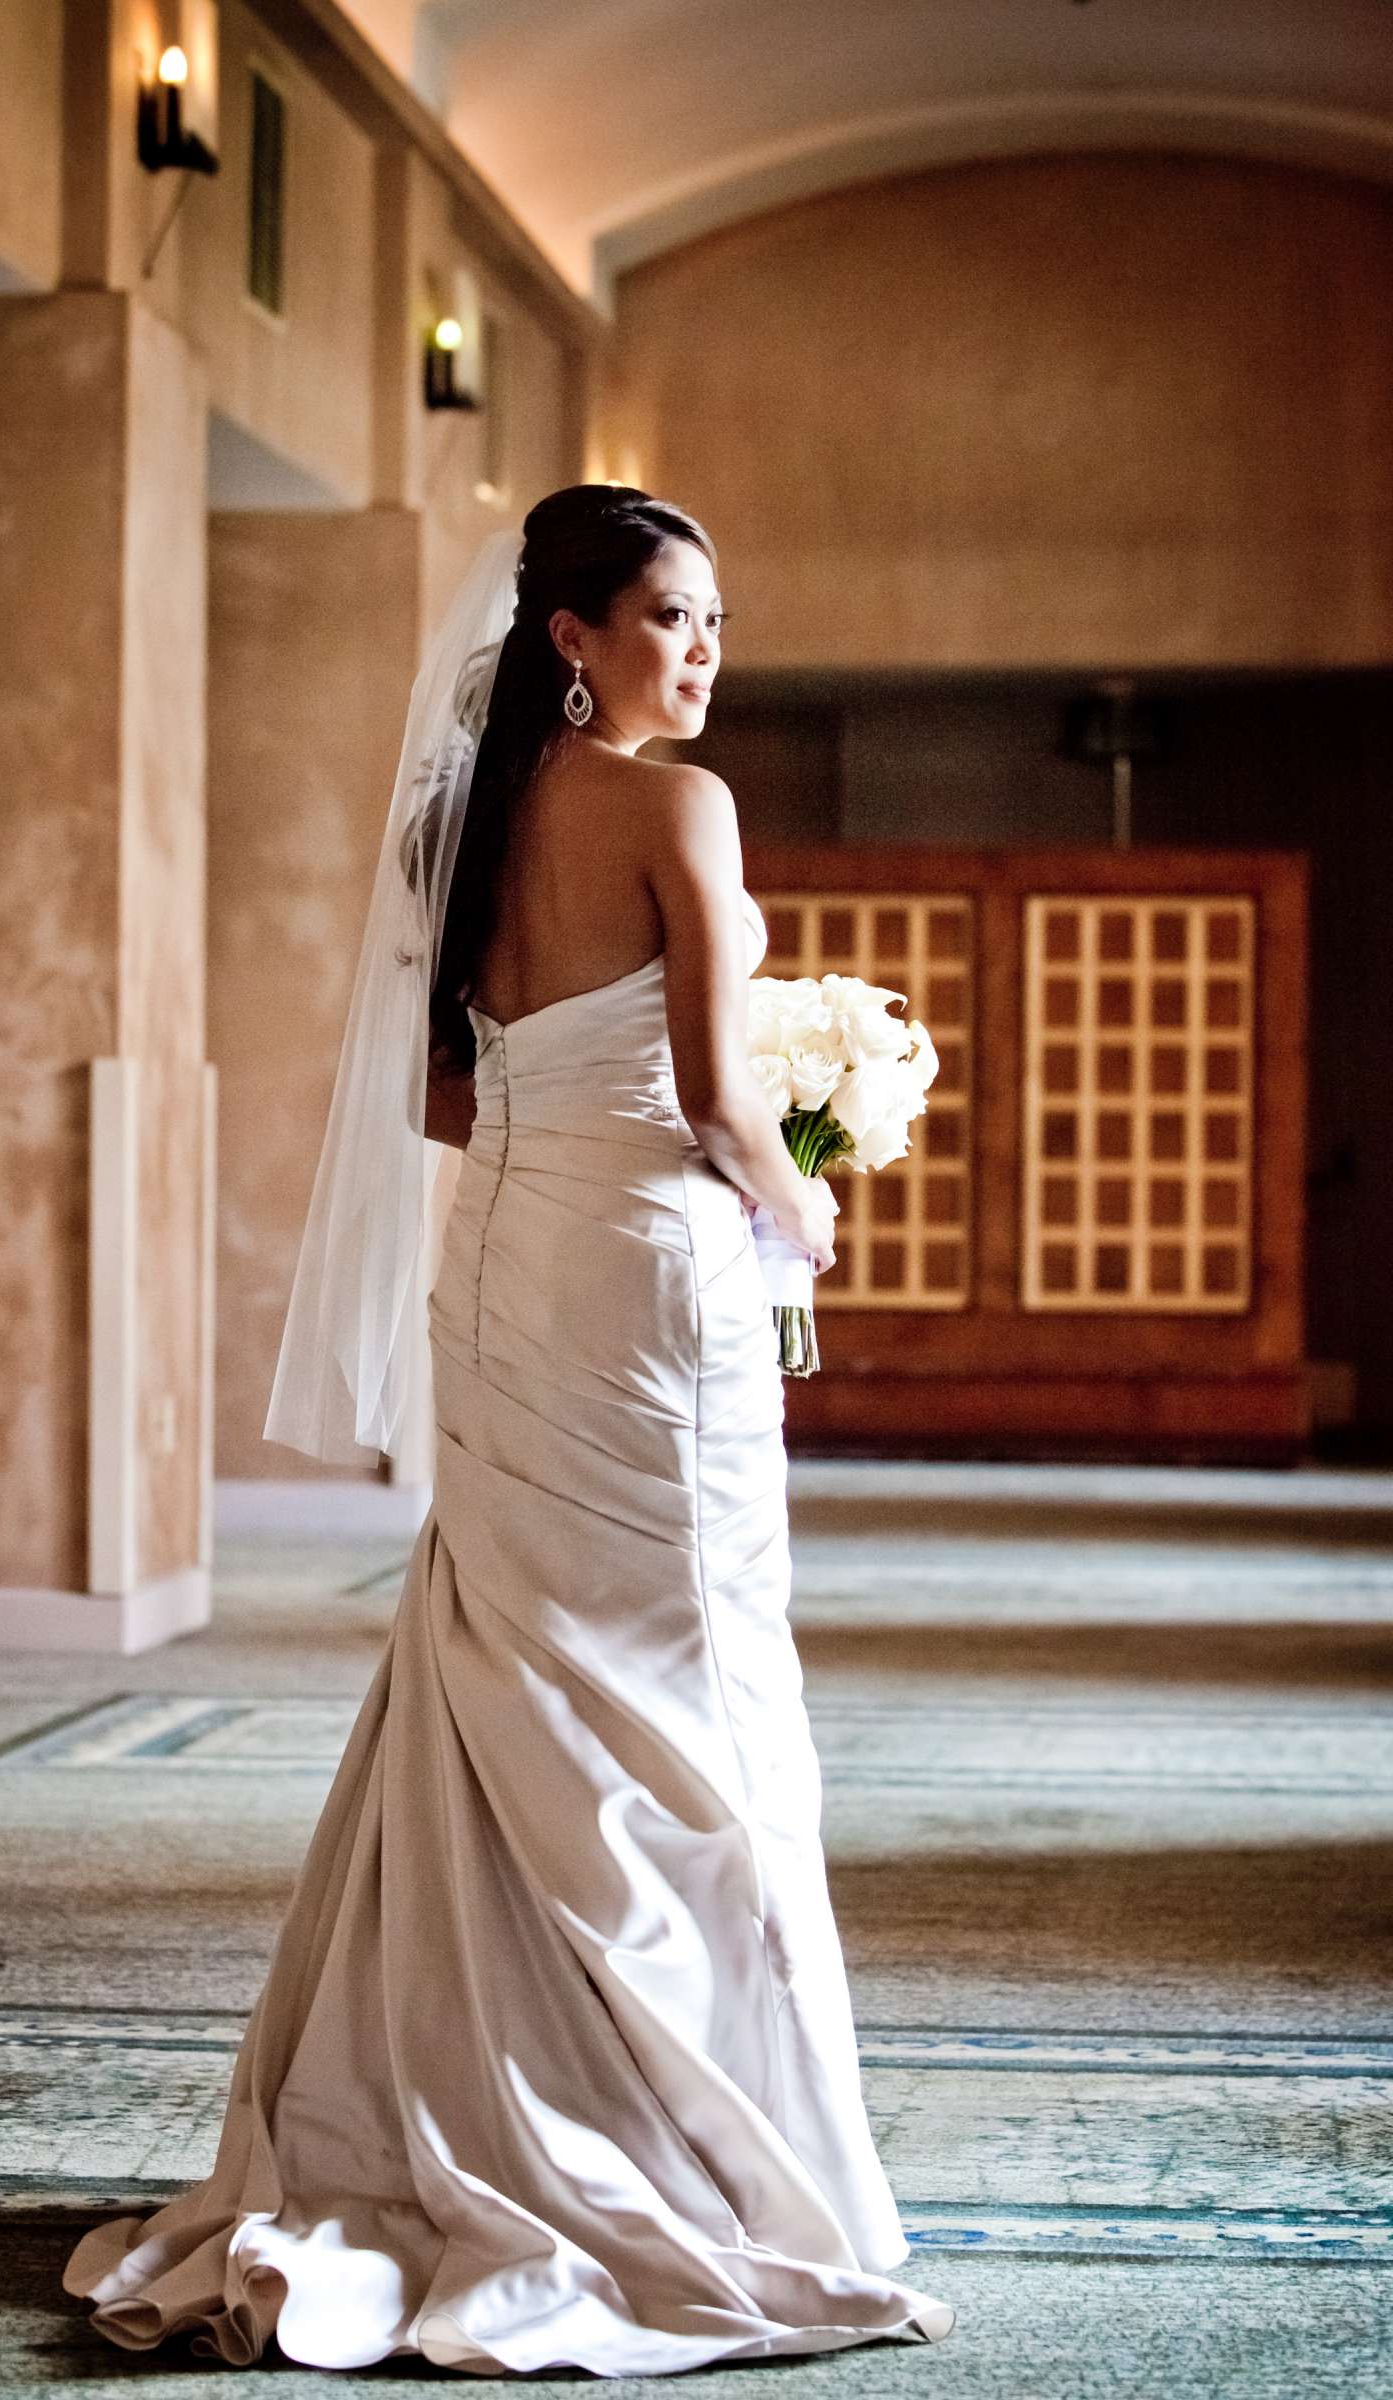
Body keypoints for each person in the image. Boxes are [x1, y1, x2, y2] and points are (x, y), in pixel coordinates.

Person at [62, 485, 956, 2371]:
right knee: (681, 1682)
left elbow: (454, 1109)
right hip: (647, 1284)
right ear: (572, 634)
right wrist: (805, 1189)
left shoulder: (458, 821)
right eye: (668, 619)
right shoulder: (680, 808)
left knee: (524, 1662)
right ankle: (710, 2161)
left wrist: (661, 1132)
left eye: (716, 621)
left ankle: (464, 2104)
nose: (702, 653)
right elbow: (718, 1095)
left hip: (512, 1271)